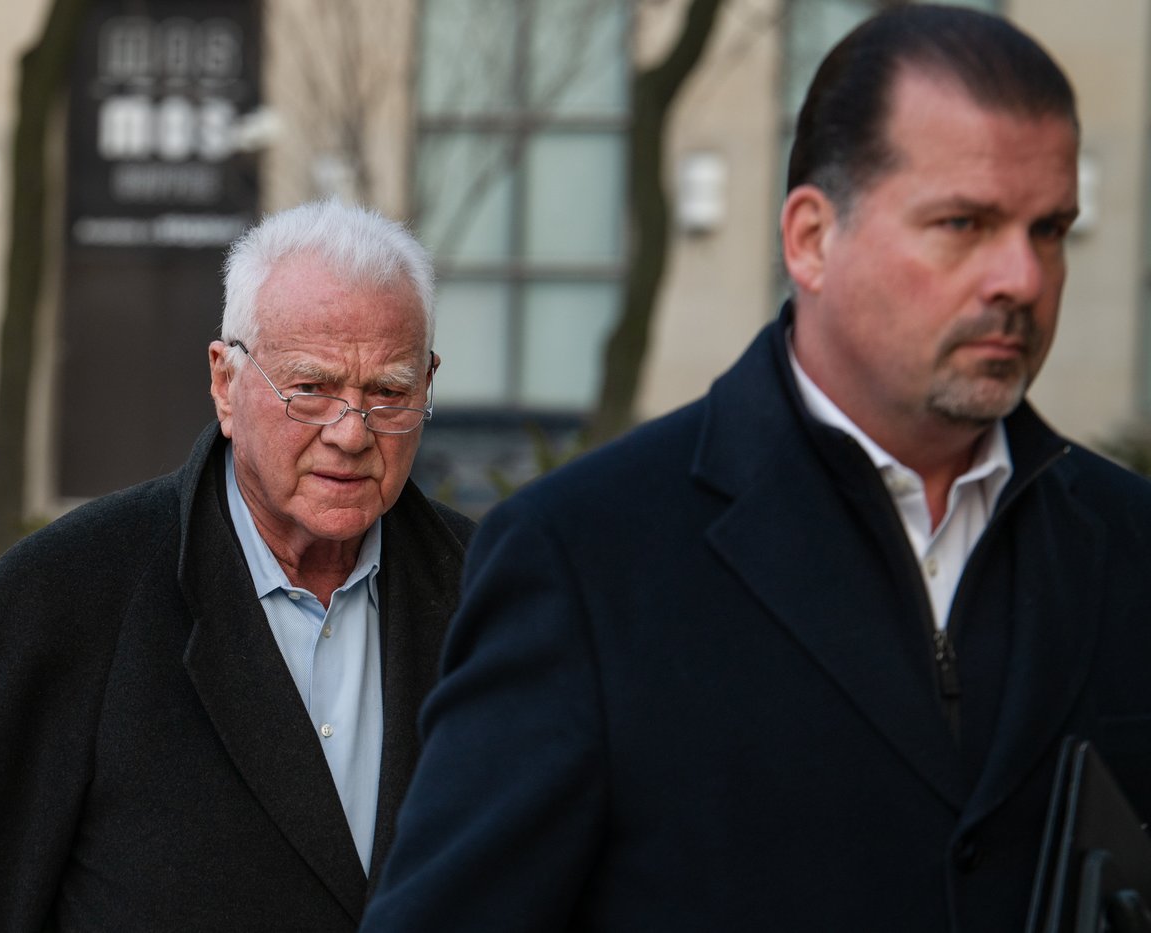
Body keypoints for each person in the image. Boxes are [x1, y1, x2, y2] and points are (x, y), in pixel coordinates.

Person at [360, 7, 1151, 932]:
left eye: (1049, 229)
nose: (1021, 277)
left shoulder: (1132, 546)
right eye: (964, 223)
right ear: (811, 237)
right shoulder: (584, 560)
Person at [0, 199, 474, 930]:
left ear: (427, 384)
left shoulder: (491, 595)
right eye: (311, 389)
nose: (351, 433)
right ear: (225, 382)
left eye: (387, 392)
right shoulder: (63, 596)